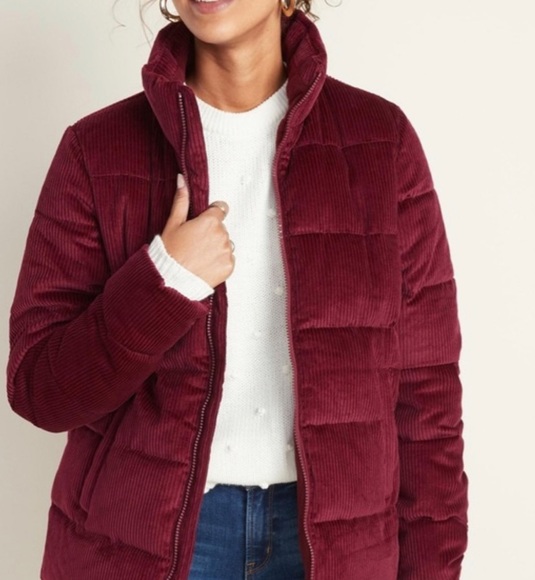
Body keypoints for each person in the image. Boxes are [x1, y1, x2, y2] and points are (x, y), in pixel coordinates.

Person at [6, 0, 469, 578]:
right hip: (147, 543)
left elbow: (426, 394)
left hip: (335, 547)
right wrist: (165, 280)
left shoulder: (381, 142)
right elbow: (40, 390)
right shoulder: (96, 150)